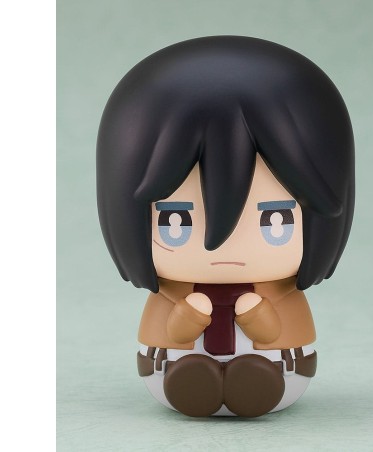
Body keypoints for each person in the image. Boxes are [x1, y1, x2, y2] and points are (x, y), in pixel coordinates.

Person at [97, 36, 355, 417]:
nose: (224, 248)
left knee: (257, 375)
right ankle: (194, 382)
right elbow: (172, 331)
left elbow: (274, 331)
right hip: (177, 367)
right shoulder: (171, 293)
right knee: (189, 373)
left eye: (276, 219)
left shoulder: (281, 291)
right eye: (175, 220)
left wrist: (258, 316)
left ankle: (252, 382)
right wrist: (187, 317)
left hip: (274, 367)